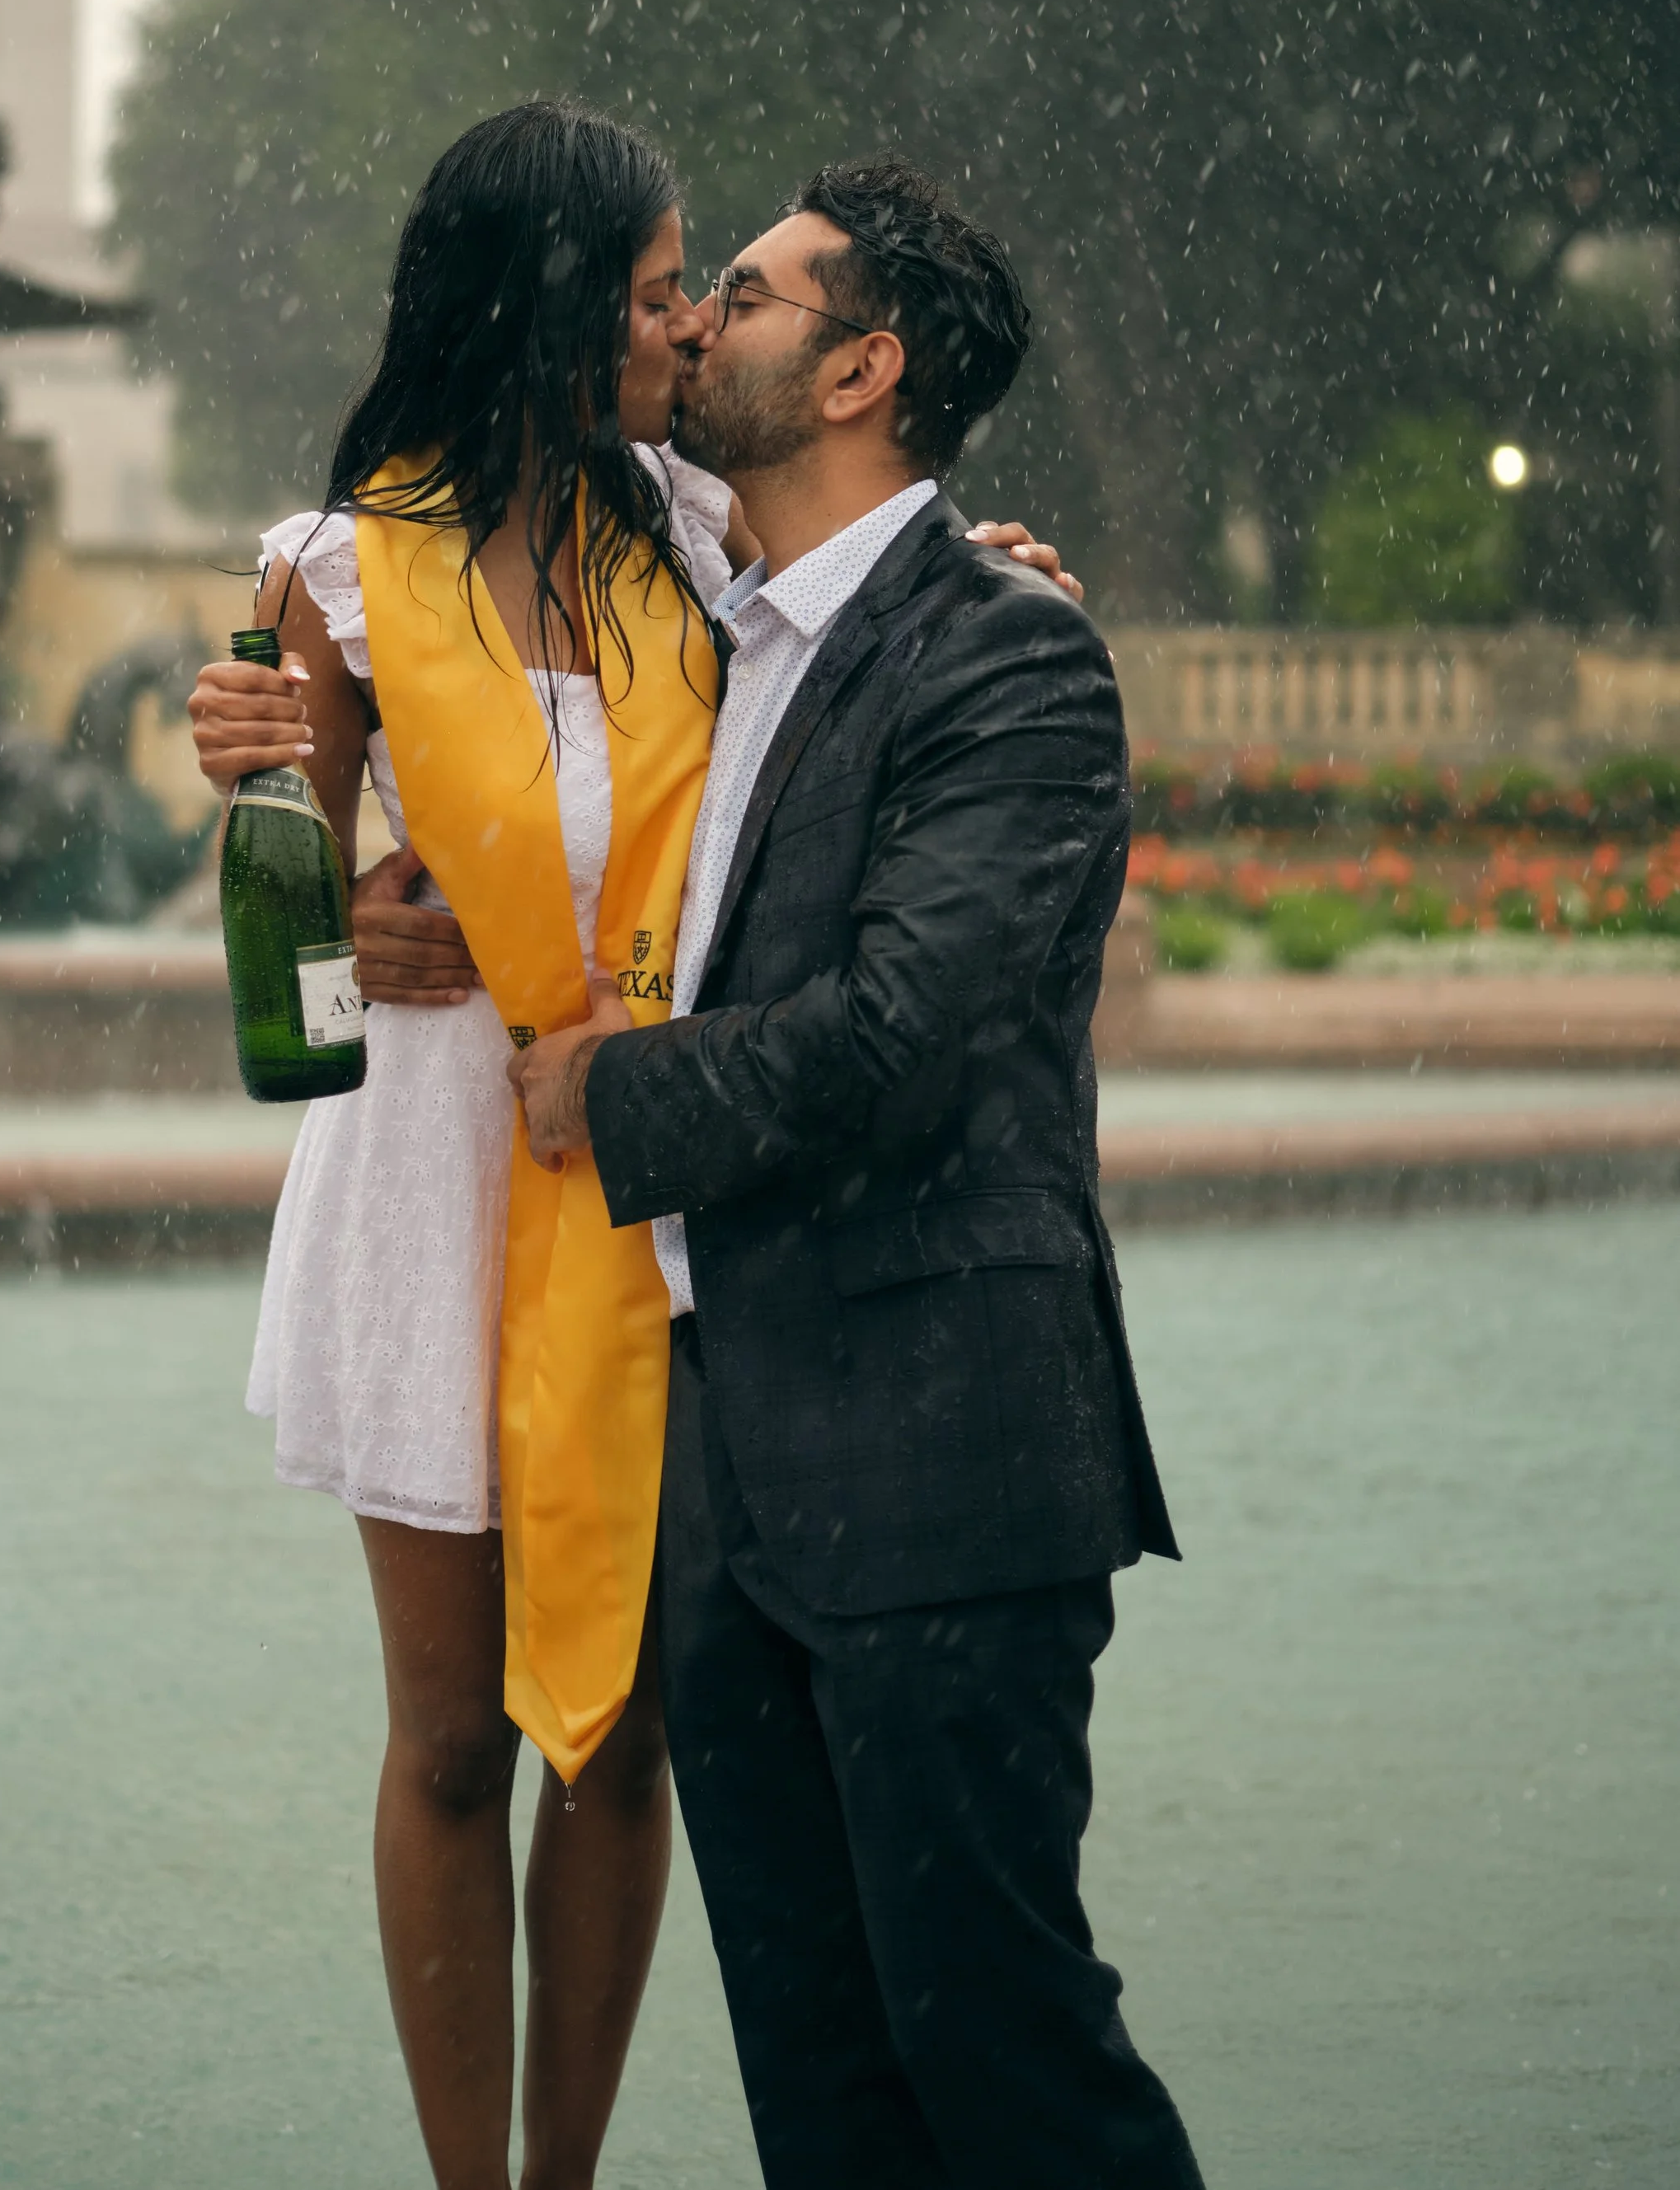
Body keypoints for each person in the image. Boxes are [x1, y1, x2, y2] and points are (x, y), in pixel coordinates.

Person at [187, 108, 1078, 2190]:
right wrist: (308, 861)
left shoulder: (694, 529)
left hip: (662, 1168)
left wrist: (1006, 569)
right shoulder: (337, 567)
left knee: (621, 1721)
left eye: (705, 288)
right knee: (449, 1732)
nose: (687, 324)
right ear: (549, 305)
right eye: (660, 288)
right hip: (431, 1172)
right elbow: (285, 919)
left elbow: (871, 609)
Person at [511, 157, 1206, 2190]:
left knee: (1004, 2057)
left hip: (939, 1459)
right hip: (729, 1484)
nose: (689, 318)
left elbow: (902, 1039)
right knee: (821, 2096)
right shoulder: (706, 643)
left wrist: (611, 1095)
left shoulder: (1007, 654)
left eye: (739, 290)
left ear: (858, 371)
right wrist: (278, 729)